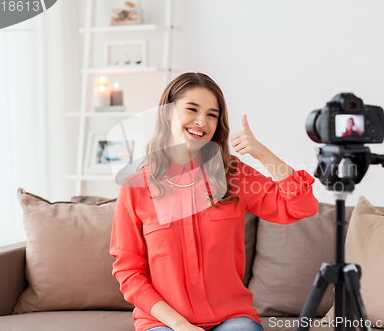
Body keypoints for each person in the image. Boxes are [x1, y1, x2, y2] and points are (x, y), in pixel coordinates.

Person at [109, 72, 318, 331]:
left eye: (212, 114)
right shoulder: (136, 187)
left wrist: (262, 153)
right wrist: (181, 325)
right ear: (167, 112)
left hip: (231, 318)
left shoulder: (234, 175)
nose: (201, 121)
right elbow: (128, 272)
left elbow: (302, 206)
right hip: (164, 323)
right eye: (192, 109)